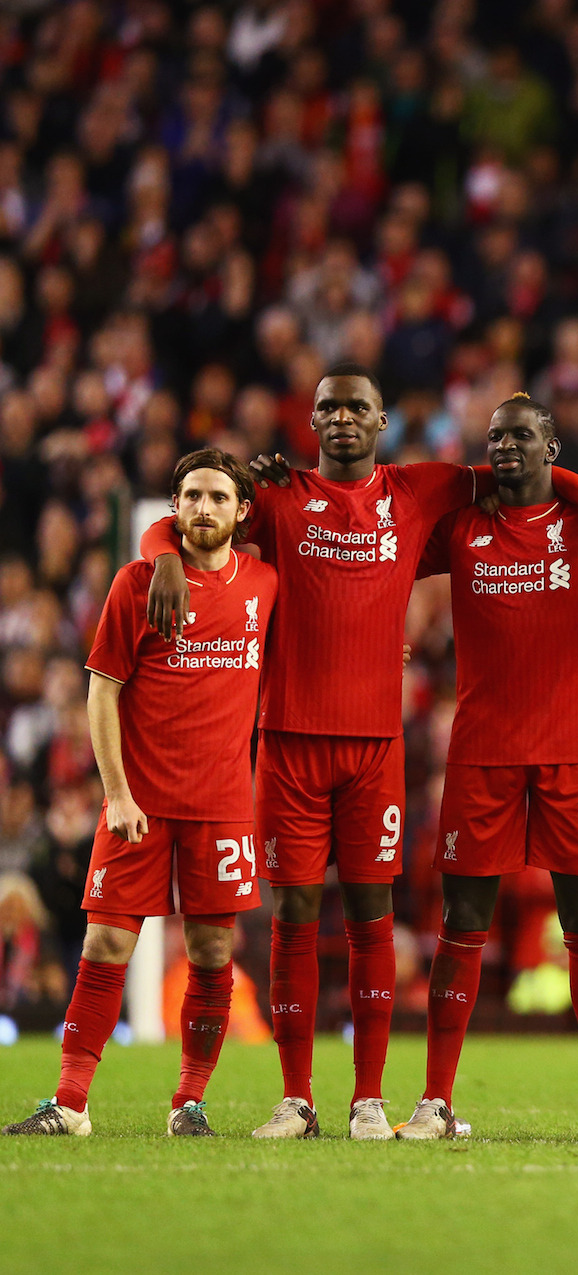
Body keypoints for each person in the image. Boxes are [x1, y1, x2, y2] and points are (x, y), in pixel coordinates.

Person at [138, 364, 578, 1140]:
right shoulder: (279, 496)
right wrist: (159, 550)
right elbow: (196, 514)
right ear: (315, 421)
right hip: (291, 739)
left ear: (381, 421)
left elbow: (523, 468)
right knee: (294, 912)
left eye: (355, 407)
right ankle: (297, 1097)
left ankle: (369, 1097)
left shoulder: (422, 489)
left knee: (373, 913)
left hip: (377, 746)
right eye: (327, 406)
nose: (340, 418)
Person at [400, 393, 578, 1143]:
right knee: (463, 924)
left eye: (521, 437)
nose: (504, 449)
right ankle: (437, 1100)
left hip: (575, 752)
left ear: (553, 445)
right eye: (494, 439)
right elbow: (384, 554)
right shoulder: (464, 528)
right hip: (482, 754)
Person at [7, 451, 276, 1136]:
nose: (204, 507)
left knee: (213, 956)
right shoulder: (137, 583)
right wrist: (117, 793)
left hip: (221, 807)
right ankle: (70, 1104)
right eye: (191, 495)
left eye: (218, 496)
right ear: (175, 506)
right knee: (104, 947)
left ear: (243, 510)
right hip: (139, 804)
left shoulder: (266, 584)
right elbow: (103, 691)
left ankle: (189, 1103)